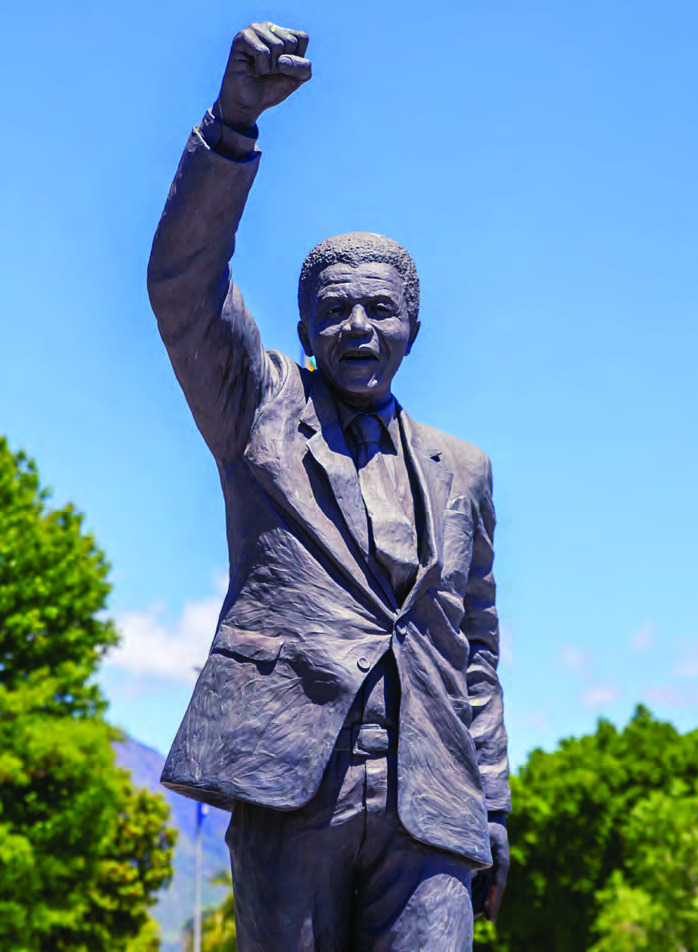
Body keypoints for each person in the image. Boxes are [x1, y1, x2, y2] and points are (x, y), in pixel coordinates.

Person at [148, 21, 511, 951]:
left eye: (380, 310)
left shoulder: (462, 468)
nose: (358, 326)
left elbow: (475, 654)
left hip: (431, 809)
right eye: (335, 310)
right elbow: (185, 286)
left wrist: (493, 808)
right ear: (305, 331)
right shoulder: (258, 408)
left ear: (412, 328)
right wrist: (233, 125)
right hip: (289, 781)